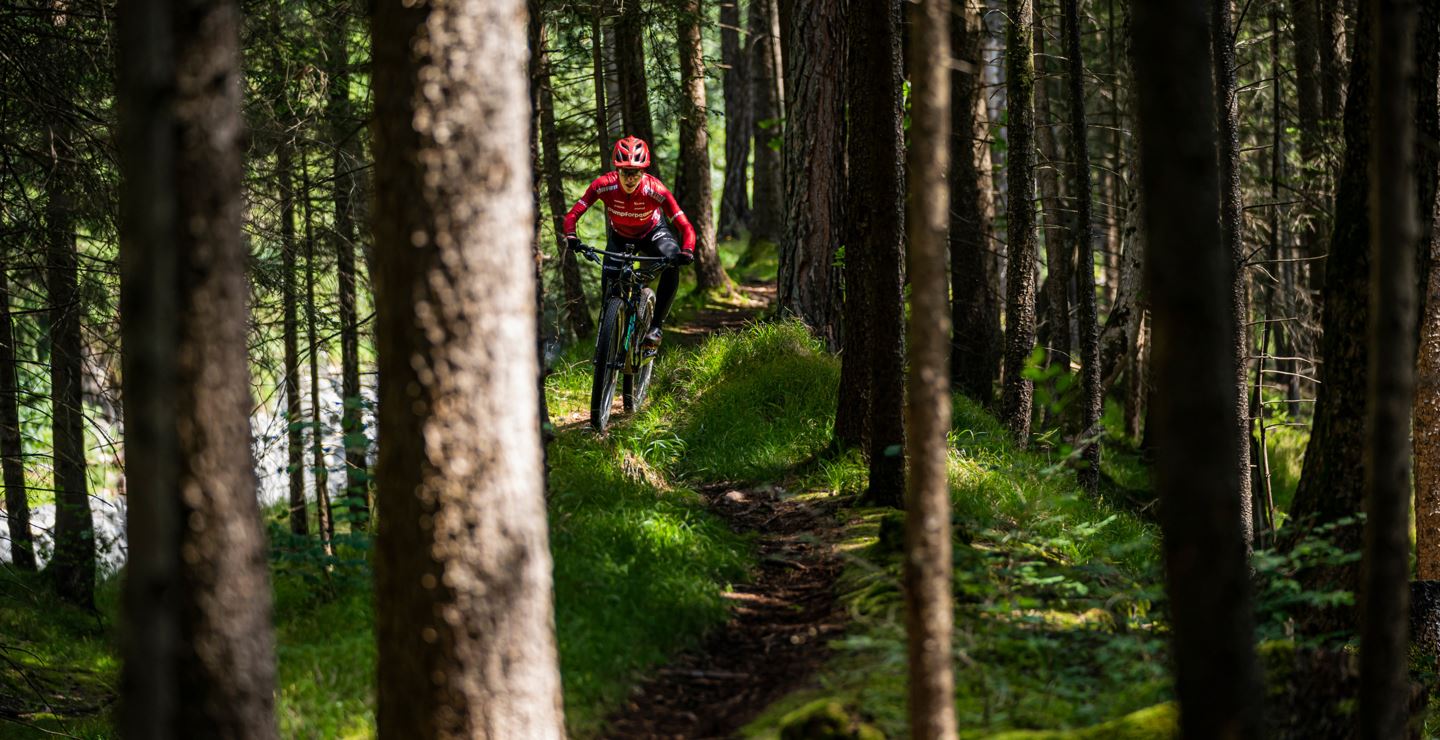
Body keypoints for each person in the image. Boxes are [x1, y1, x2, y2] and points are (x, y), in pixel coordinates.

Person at [563, 136, 695, 349]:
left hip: (653, 233)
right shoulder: (603, 186)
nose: (630, 178)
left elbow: (685, 226)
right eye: (625, 172)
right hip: (620, 238)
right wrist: (571, 236)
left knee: (672, 262)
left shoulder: (656, 190)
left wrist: (687, 250)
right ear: (617, 171)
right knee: (609, 293)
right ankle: (610, 344)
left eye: (635, 173)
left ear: (643, 172)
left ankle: (656, 327)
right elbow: (572, 215)